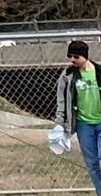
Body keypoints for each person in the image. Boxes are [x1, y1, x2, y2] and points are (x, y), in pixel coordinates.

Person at [55, 39, 101, 191]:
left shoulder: (99, 72)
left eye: (76, 57)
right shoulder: (67, 76)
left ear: (85, 56)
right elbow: (62, 101)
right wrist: (59, 124)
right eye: (70, 56)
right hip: (84, 126)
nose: (72, 60)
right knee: (92, 164)